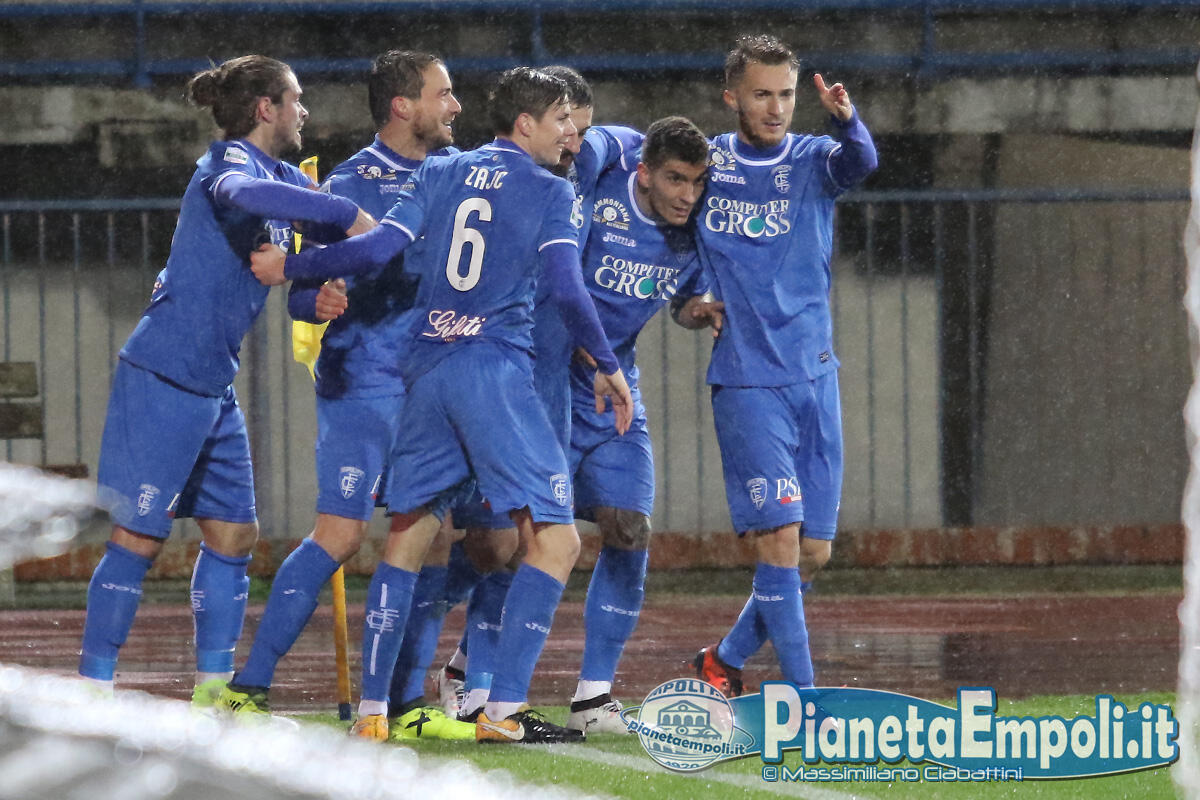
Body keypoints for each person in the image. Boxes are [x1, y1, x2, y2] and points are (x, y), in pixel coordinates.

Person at [245, 67, 633, 744]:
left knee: (410, 534)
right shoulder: (551, 190)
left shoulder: (441, 171)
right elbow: (569, 290)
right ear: (525, 124)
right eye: (561, 120)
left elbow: (377, 247)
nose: (571, 134)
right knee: (557, 539)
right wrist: (607, 364)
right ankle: (503, 711)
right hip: (491, 368)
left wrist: (292, 268)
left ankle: (374, 710)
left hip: (424, 368)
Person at [77, 55, 373, 703]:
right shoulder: (228, 165)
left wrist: (316, 296)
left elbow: (295, 281)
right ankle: (92, 692)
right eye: (295, 99)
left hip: (214, 387)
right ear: (266, 108)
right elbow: (246, 197)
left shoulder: (288, 178)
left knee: (235, 535)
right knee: (138, 537)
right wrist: (344, 210)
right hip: (162, 375)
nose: (304, 111)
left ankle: (215, 694)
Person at [215, 51, 474, 741]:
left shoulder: (461, 175)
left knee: (438, 539)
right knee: (341, 534)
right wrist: (317, 299)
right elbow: (301, 296)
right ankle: (248, 686)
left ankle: (408, 703)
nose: (455, 106)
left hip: (434, 386)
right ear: (403, 105)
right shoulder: (350, 183)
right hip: (363, 381)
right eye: (443, 94)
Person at [691, 34, 878, 696]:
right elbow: (663, 232)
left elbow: (862, 161)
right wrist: (685, 299)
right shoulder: (706, 164)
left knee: (813, 553)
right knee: (779, 542)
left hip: (815, 376)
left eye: (787, 94)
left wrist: (847, 119)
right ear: (732, 98)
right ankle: (808, 703)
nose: (776, 108)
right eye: (762, 95)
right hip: (747, 381)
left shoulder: (813, 160)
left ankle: (722, 661)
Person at [561, 115, 724, 735]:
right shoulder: (604, 176)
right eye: (676, 179)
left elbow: (681, 303)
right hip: (549, 385)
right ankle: (466, 672)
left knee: (630, 530)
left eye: (697, 182)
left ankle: (593, 697)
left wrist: (698, 311)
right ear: (645, 173)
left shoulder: (691, 233)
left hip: (615, 396)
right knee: (510, 542)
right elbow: (591, 138)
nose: (688, 195)